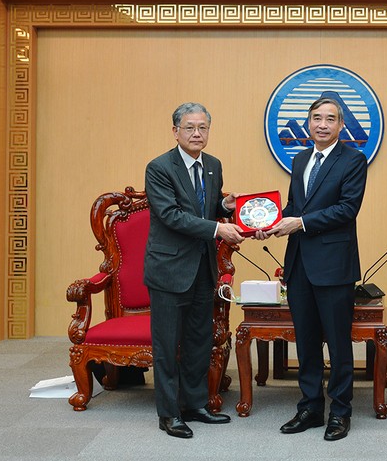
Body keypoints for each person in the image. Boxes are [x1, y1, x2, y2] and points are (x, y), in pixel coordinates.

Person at [257, 97, 367, 441]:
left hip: (334, 266)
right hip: (299, 264)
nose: (322, 124)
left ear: (341, 125)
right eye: (316, 118)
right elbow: (294, 205)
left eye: (330, 119)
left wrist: (300, 223)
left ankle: (341, 412)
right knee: (305, 342)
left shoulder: (353, 159)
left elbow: (346, 209)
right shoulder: (301, 158)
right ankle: (310, 408)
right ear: (308, 123)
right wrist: (269, 222)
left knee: (337, 343)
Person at [144, 102, 245, 439]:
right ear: (175, 131)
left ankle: (196, 404)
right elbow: (171, 215)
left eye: (202, 127)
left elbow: (204, 207)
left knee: (199, 342)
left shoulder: (213, 165)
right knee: (167, 346)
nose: (197, 133)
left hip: (203, 269)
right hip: (169, 270)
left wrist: (224, 207)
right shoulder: (159, 167)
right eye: (189, 127)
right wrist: (218, 229)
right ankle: (169, 414)